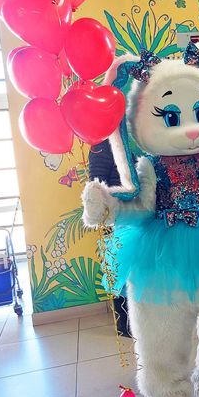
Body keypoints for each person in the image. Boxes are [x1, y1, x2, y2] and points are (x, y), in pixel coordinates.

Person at [88, 138, 130, 337]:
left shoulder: (138, 137)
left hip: (139, 214)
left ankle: (139, 318)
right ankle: (125, 322)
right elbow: (96, 184)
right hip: (116, 217)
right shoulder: (102, 144)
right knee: (120, 270)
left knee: (137, 270)